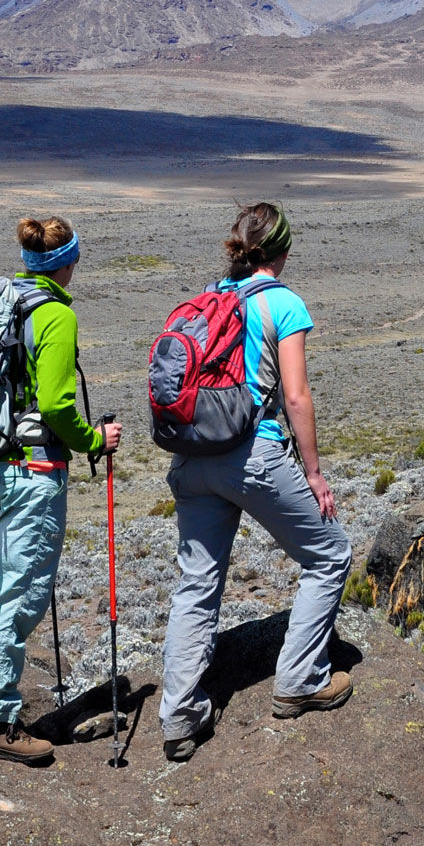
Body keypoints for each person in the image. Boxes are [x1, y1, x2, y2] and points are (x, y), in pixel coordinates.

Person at [159, 202, 353, 762]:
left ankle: (178, 717)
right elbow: (295, 397)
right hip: (253, 456)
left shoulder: (213, 296)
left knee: (196, 585)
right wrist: (313, 473)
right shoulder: (282, 303)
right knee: (331, 554)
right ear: (283, 251)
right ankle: (300, 679)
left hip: (193, 459)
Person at [0, 216, 122, 765]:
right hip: (32, 473)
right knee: (19, 595)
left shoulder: (5, 304)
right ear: (68, 262)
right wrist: (94, 437)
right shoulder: (54, 315)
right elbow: (55, 405)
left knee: (1, 586)